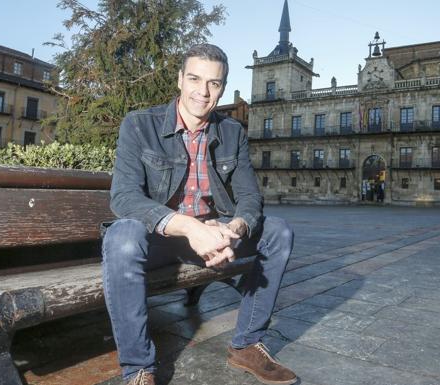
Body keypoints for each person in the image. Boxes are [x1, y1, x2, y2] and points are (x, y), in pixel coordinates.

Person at [102, 44, 297, 385]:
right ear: (179, 79)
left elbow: (250, 196)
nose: (203, 92)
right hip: (161, 238)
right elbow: (124, 197)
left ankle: (247, 344)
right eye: (194, 78)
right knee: (121, 237)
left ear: (222, 87)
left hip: (213, 235)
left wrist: (233, 229)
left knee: (277, 231)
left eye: (214, 83)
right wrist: (190, 227)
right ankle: (138, 368)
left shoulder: (232, 132)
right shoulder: (138, 124)